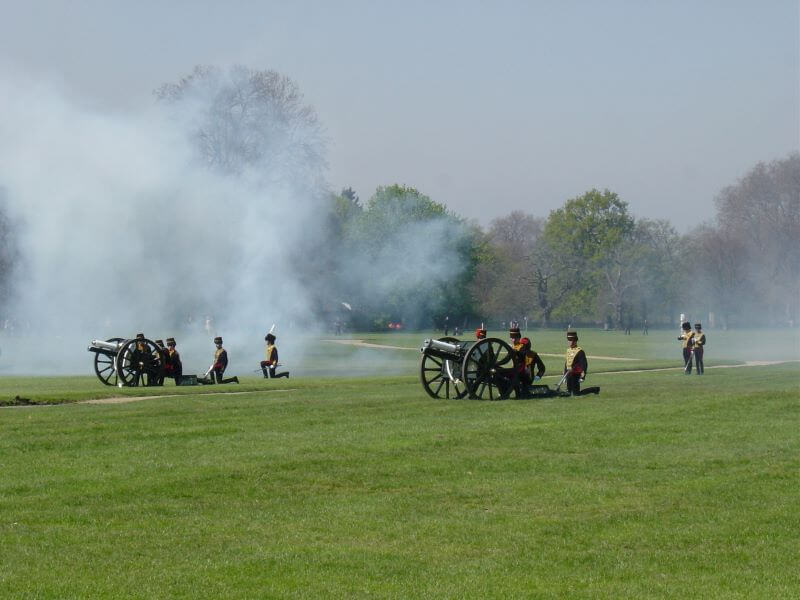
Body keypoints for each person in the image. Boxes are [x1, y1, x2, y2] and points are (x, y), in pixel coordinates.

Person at [563, 331, 599, 396]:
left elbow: (584, 364)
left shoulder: (580, 351)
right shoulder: (568, 350)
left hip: (575, 374)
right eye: (569, 340)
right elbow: (567, 363)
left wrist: (583, 376)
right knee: (568, 392)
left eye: (571, 340)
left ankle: (595, 389)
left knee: (576, 394)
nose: (570, 342)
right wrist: (564, 376)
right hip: (568, 374)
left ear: (575, 341)